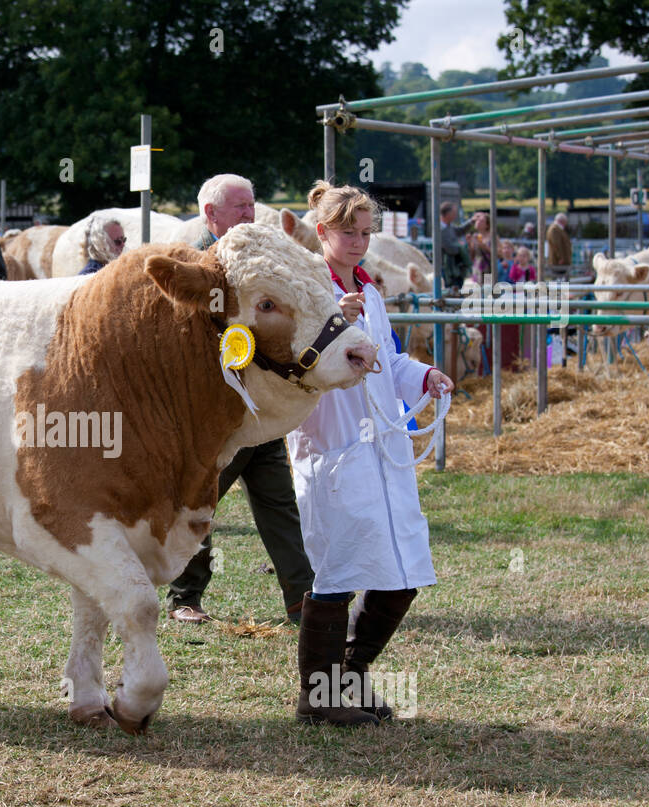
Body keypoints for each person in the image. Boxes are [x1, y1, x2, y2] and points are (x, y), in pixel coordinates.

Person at [288, 180, 454, 726]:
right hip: (332, 446)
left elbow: (389, 361)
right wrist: (333, 316)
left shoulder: (372, 290)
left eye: (366, 232)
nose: (360, 242)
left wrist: (424, 374)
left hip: (383, 450)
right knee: (335, 572)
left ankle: (349, 676)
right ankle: (319, 695)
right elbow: (294, 365)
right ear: (323, 231)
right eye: (349, 232)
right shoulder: (306, 290)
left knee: (402, 571)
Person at [166, 173, 315, 626]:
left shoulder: (262, 259)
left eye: (252, 205)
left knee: (279, 505)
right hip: (216, 415)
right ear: (211, 214)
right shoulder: (195, 263)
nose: (250, 214)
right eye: (240, 207)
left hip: (260, 407)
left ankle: (301, 601)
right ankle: (184, 598)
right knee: (202, 502)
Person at [437, 202, 472, 292]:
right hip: (447, 269)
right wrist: (461, 246)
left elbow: (460, 230)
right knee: (450, 292)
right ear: (447, 214)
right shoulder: (440, 230)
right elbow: (450, 249)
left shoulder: (449, 227)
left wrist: (472, 221)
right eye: (454, 213)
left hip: (456, 268)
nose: (455, 215)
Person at [468, 211, 492, 284]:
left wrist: (484, 246)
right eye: (477, 220)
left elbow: (500, 253)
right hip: (477, 269)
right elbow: (472, 256)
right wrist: (469, 244)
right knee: (477, 292)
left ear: (487, 225)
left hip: (489, 269)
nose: (478, 222)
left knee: (487, 291)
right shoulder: (475, 236)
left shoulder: (492, 236)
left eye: (481, 221)